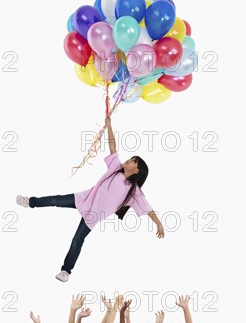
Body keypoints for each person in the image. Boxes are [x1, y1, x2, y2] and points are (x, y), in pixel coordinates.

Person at [16, 115, 165, 282]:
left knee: (77, 240)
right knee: (56, 200)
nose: (128, 161)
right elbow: (113, 146)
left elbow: (148, 208)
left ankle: (66, 271)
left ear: (136, 171)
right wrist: (109, 125)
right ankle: (29, 202)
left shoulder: (133, 191)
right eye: (130, 159)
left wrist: (158, 223)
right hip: (85, 198)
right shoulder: (116, 168)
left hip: (93, 215)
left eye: (132, 162)